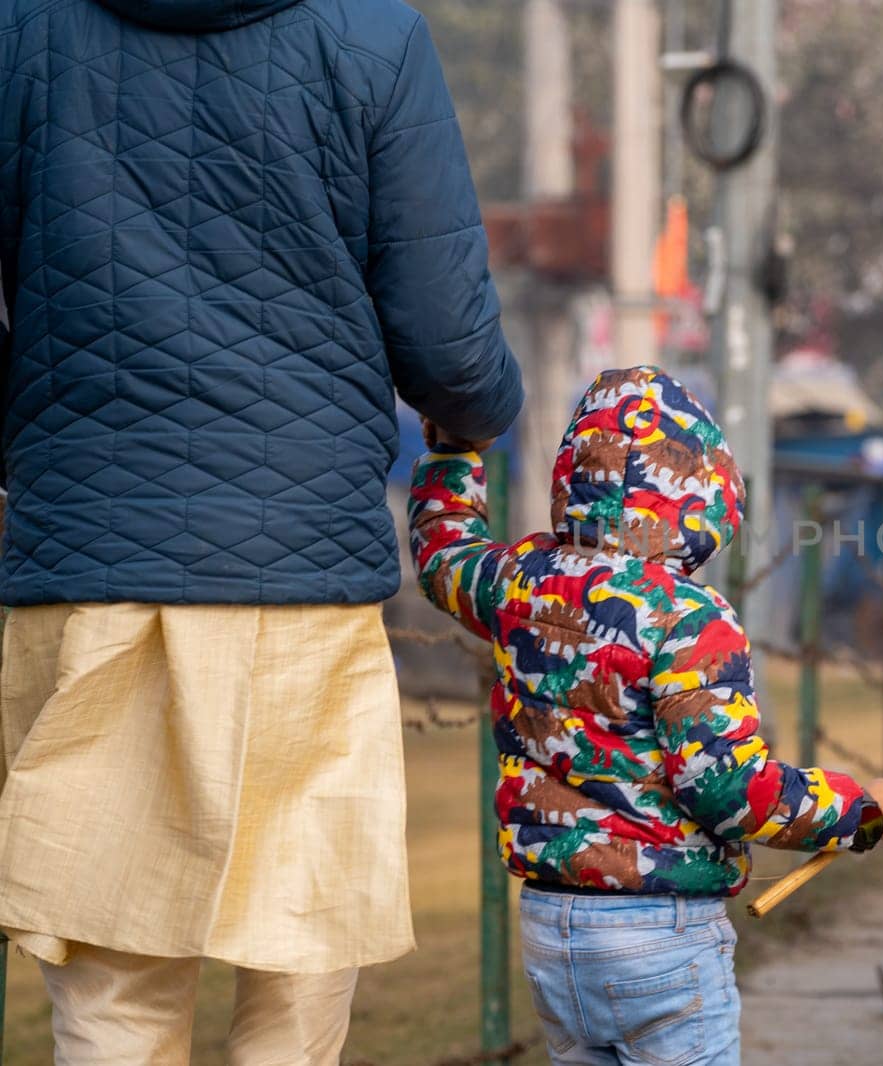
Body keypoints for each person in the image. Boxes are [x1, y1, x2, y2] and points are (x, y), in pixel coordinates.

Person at [0, 0, 521, 1060]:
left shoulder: (20, 29)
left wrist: (34, 441)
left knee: (111, 986)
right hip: (298, 574)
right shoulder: (373, 37)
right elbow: (446, 338)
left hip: (89, 558)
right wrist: (478, 416)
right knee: (296, 960)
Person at [410, 366, 883, 1066]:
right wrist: (862, 809)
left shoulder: (517, 583)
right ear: (701, 492)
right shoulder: (688, 620)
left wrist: (450, 457)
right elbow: (729, 791)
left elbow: (445, 557)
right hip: (660, 933)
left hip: (552, 929)